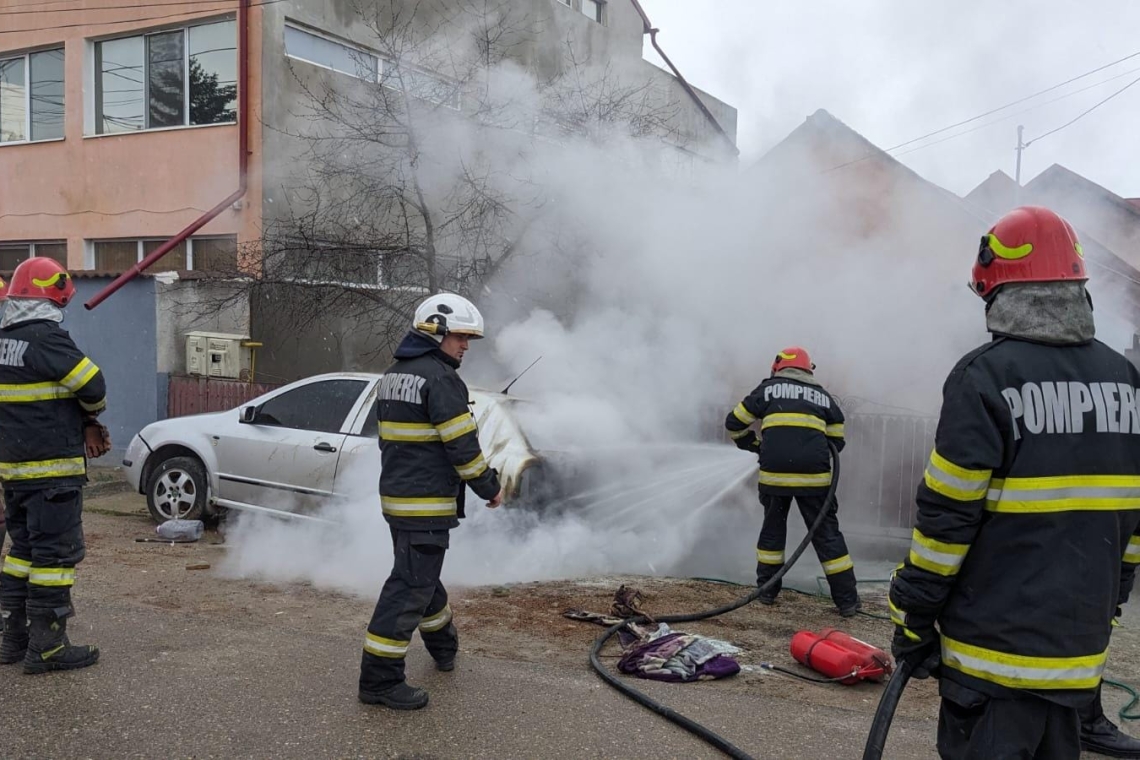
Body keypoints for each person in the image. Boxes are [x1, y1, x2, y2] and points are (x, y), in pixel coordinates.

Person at [888, 206, 1140, 758]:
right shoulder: (1125, 380)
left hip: (991, 659)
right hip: (1079, 656)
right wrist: (1114, 593)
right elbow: (1133, 513)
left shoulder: (985, 377)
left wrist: (915, 616)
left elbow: (947, 520)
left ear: (998, 290)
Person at [359, 293, 503, 710]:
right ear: (434, 332)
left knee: (420, 578)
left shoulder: (395, 374)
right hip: (424, 506)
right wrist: (489, 486)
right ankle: (379, 681)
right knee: (409, 587)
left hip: (400, 503)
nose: (465, 346)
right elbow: (462, 446)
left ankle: (444, 647)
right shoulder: (440, 379)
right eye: (460, 337)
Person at [0, 258, 111, 673]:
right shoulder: (46, 338)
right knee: (55, 558)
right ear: (52, 294)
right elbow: (93, 385)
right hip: (52, 473)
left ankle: (14, 639)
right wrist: (91, 416)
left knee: (23, 553)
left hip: (15, 474)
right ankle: (48, 646)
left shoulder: (4, 340)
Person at [724, 346, 859, 616]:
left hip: (774, 477)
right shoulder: (823, 397)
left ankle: (767, 592)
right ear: (808, 368)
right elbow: (838, 439)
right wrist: (817, 450)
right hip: (815, 480)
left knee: (773, 531)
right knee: (827, 536)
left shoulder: (767, 390)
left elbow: (733, 423)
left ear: (778, 367)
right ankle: (847, 602)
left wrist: (754, 445)